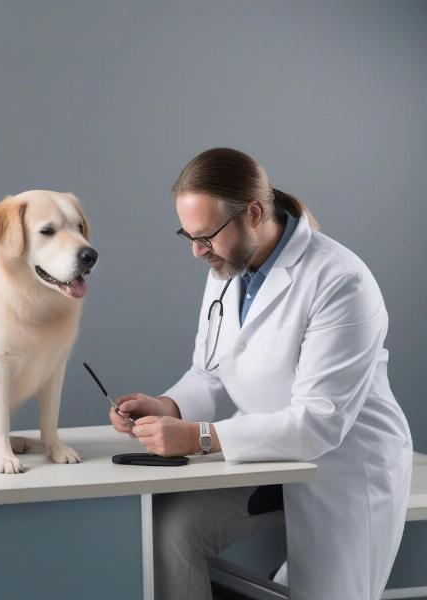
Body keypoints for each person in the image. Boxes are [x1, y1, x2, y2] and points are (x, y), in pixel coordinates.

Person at [109, 148, 413, 600]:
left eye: (206, 235)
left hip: (344, 466)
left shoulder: (340, 280)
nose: (197, 251)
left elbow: (318, 422)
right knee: (174, 530)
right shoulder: (227, 268)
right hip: (267, 454)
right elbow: (209, 371)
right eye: (188, 236)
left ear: (253, 213)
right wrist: (168, 406)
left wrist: (198, 437)